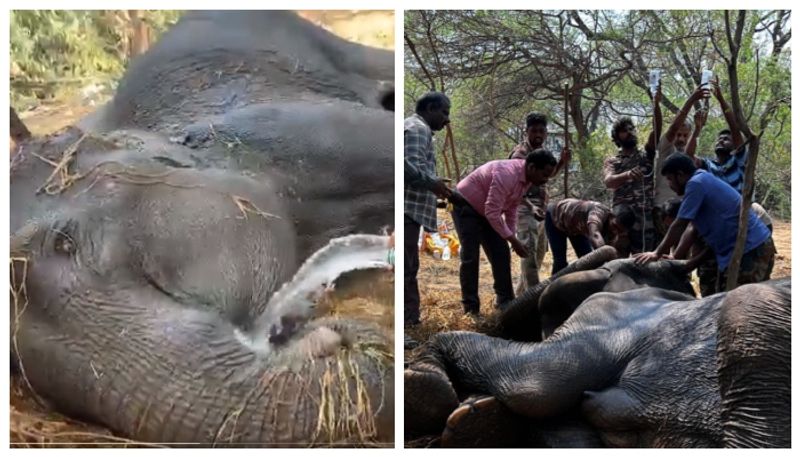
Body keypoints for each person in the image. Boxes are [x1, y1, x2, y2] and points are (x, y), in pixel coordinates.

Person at [634, 153, 775, 292]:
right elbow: (692, 228)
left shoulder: (696, 183)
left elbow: (680, 223)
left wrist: (657, 253)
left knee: (742, 303)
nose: (670, 185)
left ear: (680, 175)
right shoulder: (702, 179)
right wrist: (675, 257)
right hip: (747, 248)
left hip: (751, 249)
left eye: (670, 179)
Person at [450, 149, 556, 315]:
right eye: (544, 174)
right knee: (471, 256)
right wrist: (513, 240)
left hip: (486, 211)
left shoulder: (526, 179)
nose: (546, 180)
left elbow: (512, 208)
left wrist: (510, 236)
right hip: (465, 205)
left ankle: (505, 302)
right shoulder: (507, 174)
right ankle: (471, 309)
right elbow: (493, 211)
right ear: (533, 167)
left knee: (501, 252)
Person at [404, 91, 452, 326]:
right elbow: (408, 168)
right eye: (444, 112)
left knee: (408, 267)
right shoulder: (417, 129)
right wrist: (434, 184)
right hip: (405, 210)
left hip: (410, 212)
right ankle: (407, 324)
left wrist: (435, 185)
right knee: (405, 269)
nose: (447, 119)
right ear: (430, 108)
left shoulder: (418, 129)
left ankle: (410, 321)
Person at [508, 112, 571, 293]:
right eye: (534, 131)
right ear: (526, 131)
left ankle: (521, 296)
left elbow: (547, 175)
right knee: (529, 255)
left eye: (542, 131)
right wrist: (530, 206)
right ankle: (534, 296)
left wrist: (561, 163)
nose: (538, 135)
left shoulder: (543, 153)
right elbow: (514, 186)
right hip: (525, 208)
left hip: (541, 209)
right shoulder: (520, 154)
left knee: (540, 252)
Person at [652, 85, 710, 236]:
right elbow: (673, 128)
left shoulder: (689, 157)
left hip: (684, 211)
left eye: (685, 135)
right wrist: (691, 99)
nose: (681, 139)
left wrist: (697, 129)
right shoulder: (665, 149)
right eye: (679, 135)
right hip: (662, 211)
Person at [602, 117, 655, 254]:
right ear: (617, 137)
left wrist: (656, 107)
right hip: (621, 220)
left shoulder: (646, 156)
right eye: (624, 131)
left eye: (631, 129)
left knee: (644, 262)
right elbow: (609, 182)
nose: (630, 132)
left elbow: (656, 133)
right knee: (617, 261)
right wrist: (627, 175)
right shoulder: (613, 161)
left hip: (644, 220)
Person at [687, 78, 748, 194]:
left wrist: (720, 98)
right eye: (719, 139)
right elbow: (688, 156)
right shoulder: (708, 165)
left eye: (726, 139)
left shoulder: (738, 160)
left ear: (734, 145)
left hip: (737, 210)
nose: (721, 141)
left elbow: (734, 127)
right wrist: (697, 129)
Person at [544, 198, 635, 275]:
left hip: (577, 228)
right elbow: (595, 235)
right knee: (560, 262)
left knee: (588, 261)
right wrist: (606, 257)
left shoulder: (615, 229)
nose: (616, 231)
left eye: (620, 230)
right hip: (556, 218)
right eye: (615, 226)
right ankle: (551, 290)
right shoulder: (598, 212)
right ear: (611, 216)